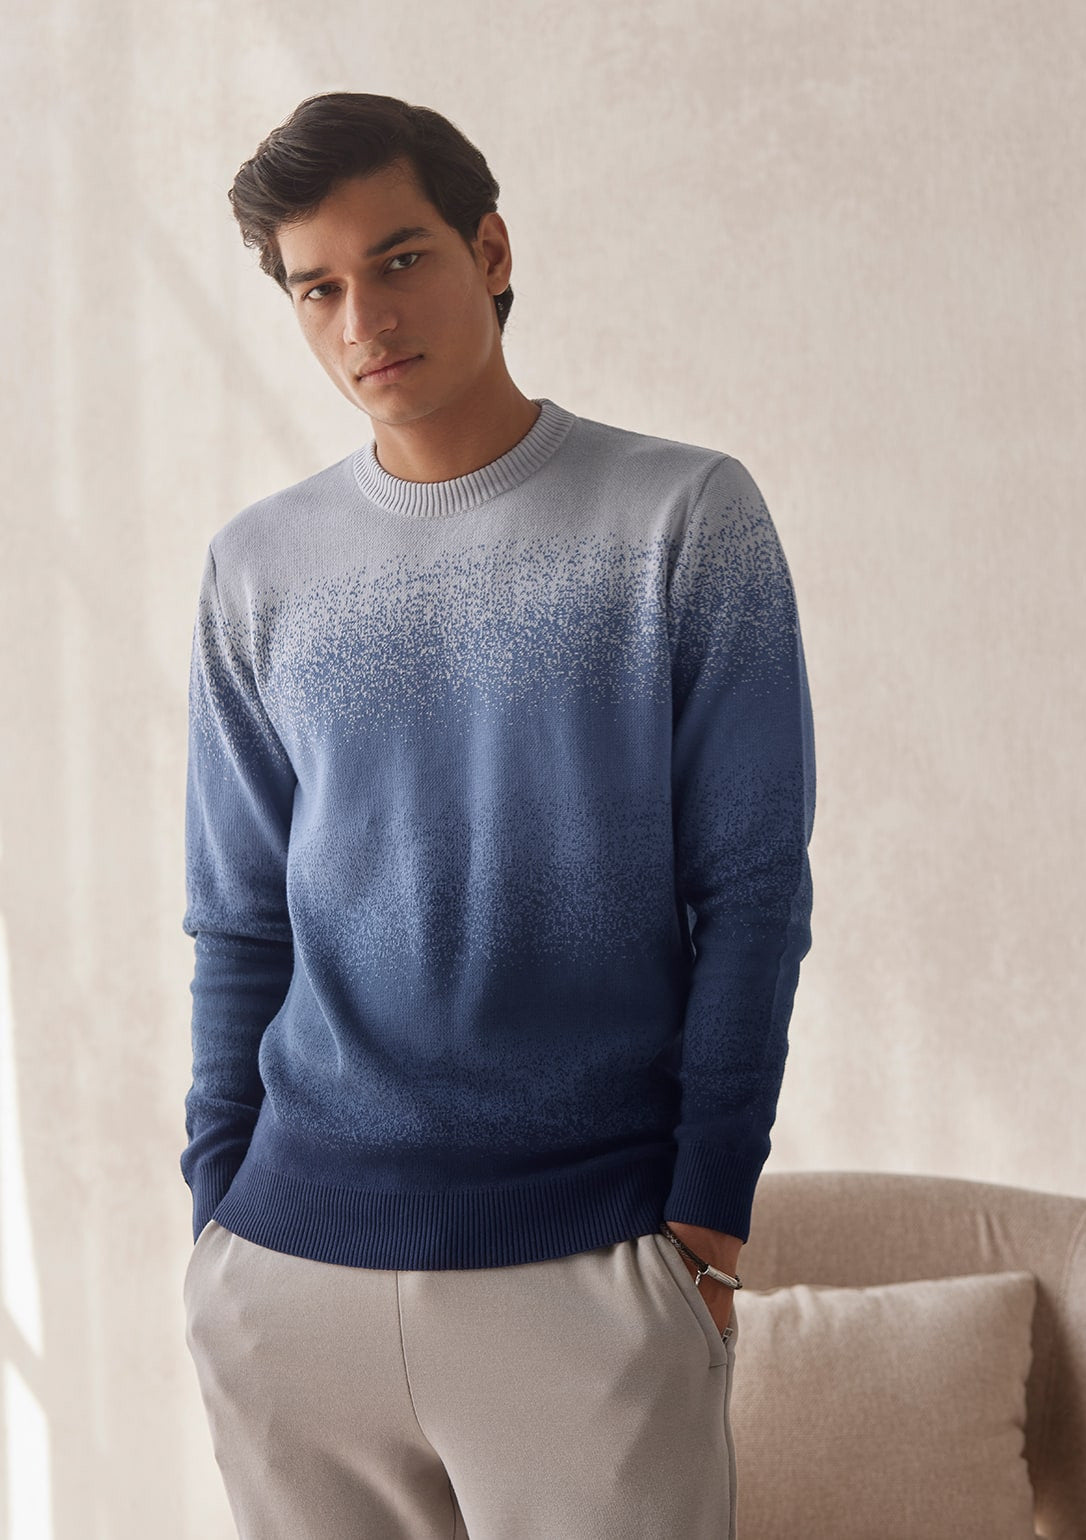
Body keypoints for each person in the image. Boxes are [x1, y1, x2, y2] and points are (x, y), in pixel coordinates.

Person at [180, 90, 815, 1540]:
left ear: (491, 249)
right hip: (291, 1282)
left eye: (399, 261)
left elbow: (752, 893)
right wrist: (216, 1222)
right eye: (318, 288)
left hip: (588, 1270)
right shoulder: (258, 567)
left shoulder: (680, 519)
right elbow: (239, 918)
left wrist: (705, 1228)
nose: (364, 320)